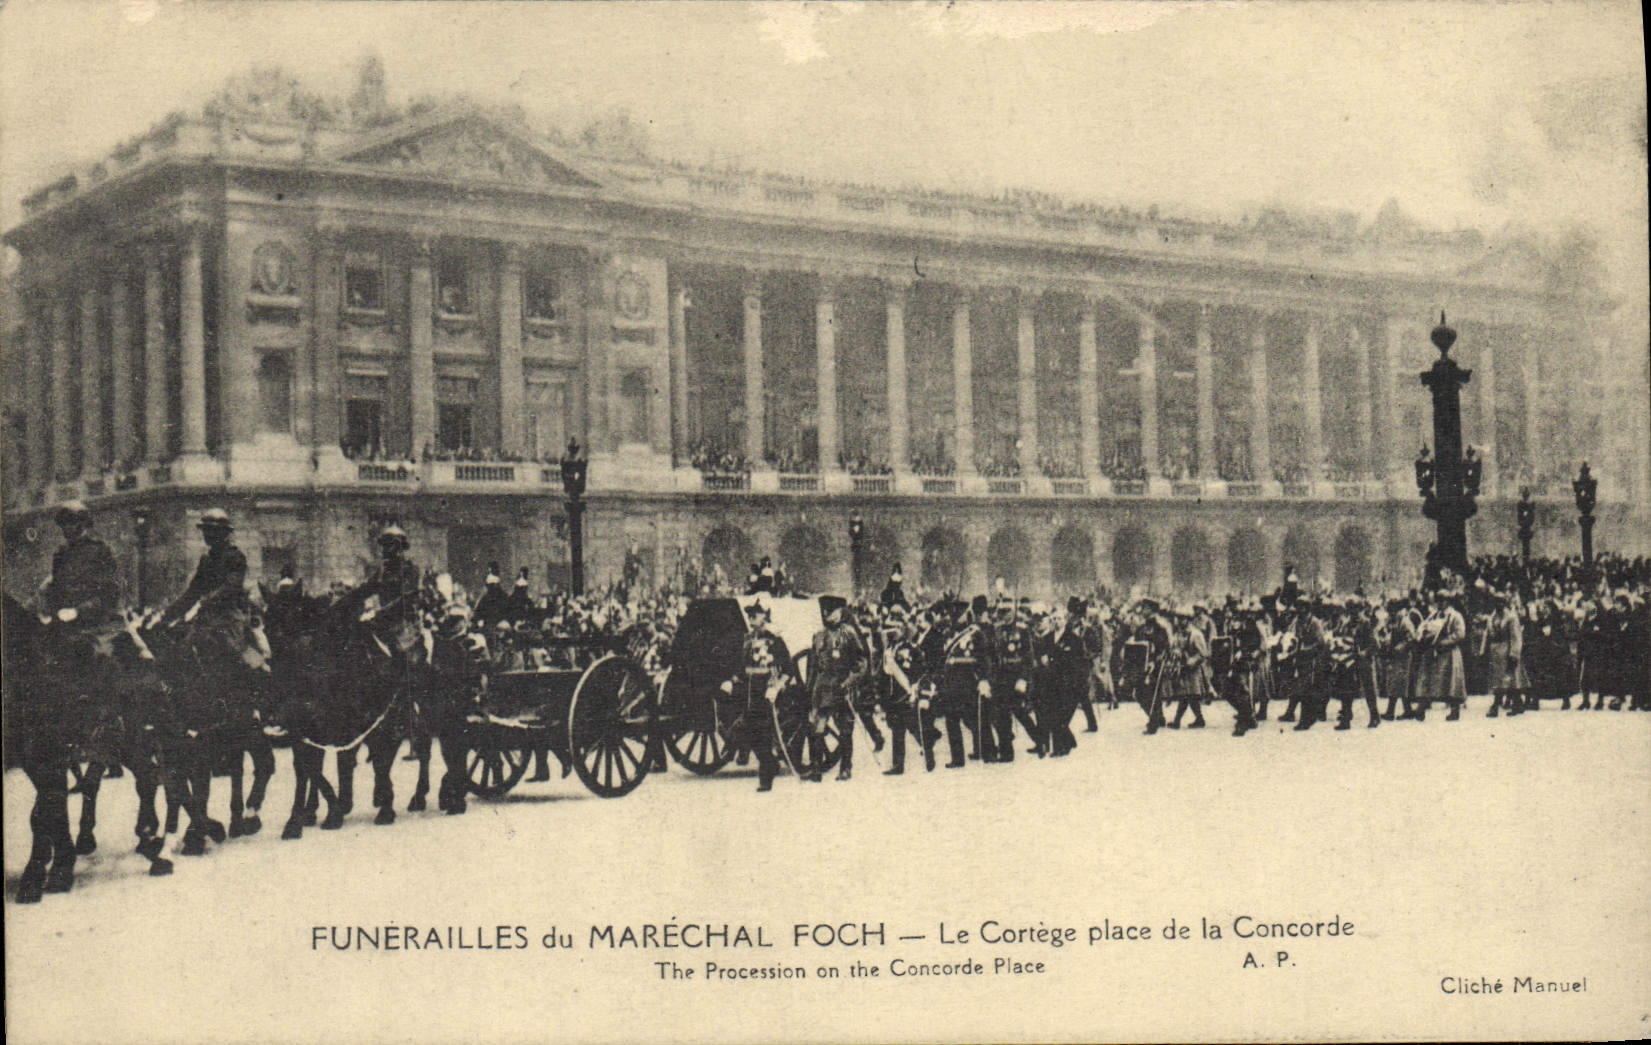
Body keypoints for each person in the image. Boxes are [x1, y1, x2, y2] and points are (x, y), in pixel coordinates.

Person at [722, 600, 790, 792]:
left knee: (763, 734)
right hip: (749, 693)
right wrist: (732, 680)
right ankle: (770, 763)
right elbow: (741, 667)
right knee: (748, 733)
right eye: (750, 614)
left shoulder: (774, 639)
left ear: (765, 615)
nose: (752, 618)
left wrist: (776, 687)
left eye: (756, 614)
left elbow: (787, 669)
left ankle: (765, 778)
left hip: (766, 692)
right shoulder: (747, 639)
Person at [809, 596, 866, 781]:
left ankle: (846, 768)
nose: (828, 615)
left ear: (840, 612)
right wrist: (811, 689)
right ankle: (816, 768)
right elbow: (813, 665)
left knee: (845, 729)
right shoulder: (818, 635)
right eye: (825, 612)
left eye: (831, 612)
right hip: (823, 688)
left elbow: (860, 662)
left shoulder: (848, 633)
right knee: (818, 728)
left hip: (842, 686)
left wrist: (849, 682)